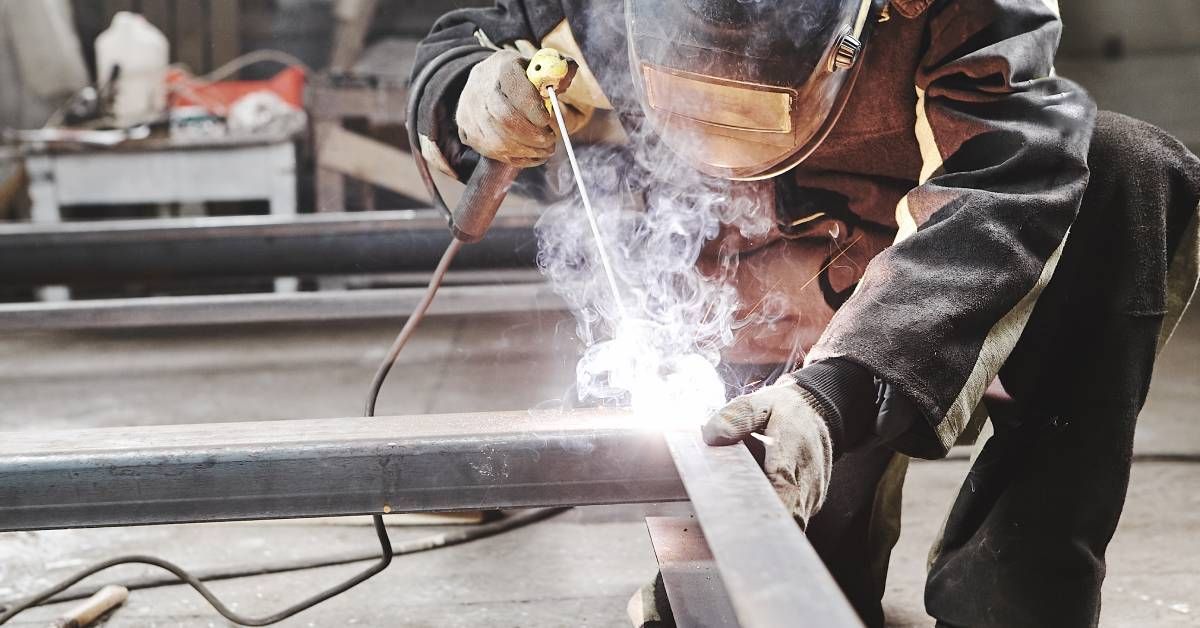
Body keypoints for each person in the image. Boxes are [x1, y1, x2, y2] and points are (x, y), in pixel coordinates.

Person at [412, 1, 1200, 626]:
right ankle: (809, 526)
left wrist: (835, 396)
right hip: (735, 311)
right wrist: (466, 93)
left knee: (1124, 171)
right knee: (783, 598)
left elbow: (1006, 177)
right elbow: (467, 34)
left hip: (904, 299)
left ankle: (1015, 593)